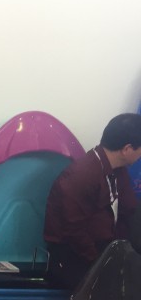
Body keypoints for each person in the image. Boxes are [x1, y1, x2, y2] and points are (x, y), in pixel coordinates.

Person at [43, 113, 141, 289]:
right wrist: (103, 265)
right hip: (75, 256)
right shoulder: (81, 175)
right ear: (127, 149)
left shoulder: (118, 170)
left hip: (104, 249)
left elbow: (129, 210)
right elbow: (74, 232)